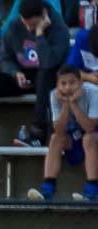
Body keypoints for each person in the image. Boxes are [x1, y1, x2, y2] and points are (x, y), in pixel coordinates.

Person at [0, 0, 69, 147]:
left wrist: (39, 34)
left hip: (48, 80)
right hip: (23, 77)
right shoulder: (15, 25)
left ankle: (38, 135)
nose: (28, 28)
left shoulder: (60, 29)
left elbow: (49, 62)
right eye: (26, 23)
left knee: (45, 74)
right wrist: (15, 72)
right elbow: (4, 57)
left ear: (44, 15)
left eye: (32, 24)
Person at [27, 65, 98, 200]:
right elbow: (59, 130)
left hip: (94, 140)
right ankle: (47, 189)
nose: (67, 87)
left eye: (72, 82)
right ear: (58, 85)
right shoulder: (54, 95)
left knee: (89, 138)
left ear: (81, 82)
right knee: (55, 138)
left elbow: (90, 128)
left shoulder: (94, 92)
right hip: (76, 140)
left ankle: (92, 191)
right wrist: (66, 104)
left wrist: (74, 105)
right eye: (63, 83)